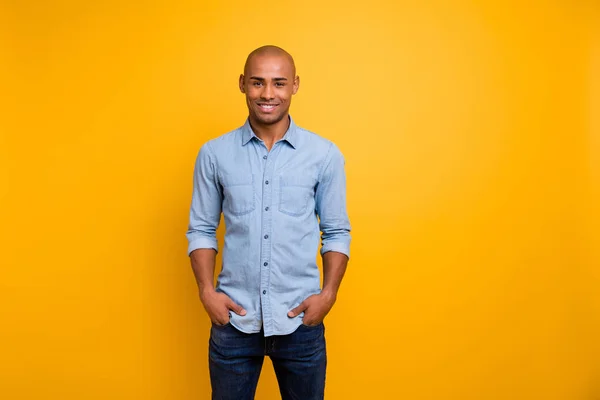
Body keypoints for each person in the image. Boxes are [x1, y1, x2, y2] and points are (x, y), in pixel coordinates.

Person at [186, 45, 351, 400]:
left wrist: (328, 295)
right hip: (234, 322)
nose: (267, 94)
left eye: (279, 83)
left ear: (295, 85)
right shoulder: (214, 154)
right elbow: (201, 228)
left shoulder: (324, 155)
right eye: (258, 83)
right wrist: (206, 292)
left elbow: (336, 232)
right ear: (243, 84)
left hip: (300, 322)